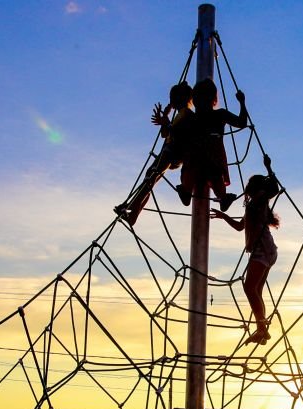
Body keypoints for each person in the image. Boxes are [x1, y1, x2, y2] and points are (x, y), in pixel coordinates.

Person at [210, 154, 280, 345]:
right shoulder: (252, 205)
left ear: (255, 189)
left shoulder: (259, 200)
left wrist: (268, 168)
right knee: (255, 290)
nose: (246, 190)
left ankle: (262, 329)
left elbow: (274, 188)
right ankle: (261, 329)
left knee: (250, 288)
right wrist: (223, 216)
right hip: (266, 250)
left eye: (249, 187)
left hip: (262, 249)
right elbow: (241, 227)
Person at [114, 81, 195, 226]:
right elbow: (166, 133)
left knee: (151, 177)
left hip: (173, 152)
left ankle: (130, 207)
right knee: (150, 177)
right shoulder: (180, 114)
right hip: (169, 151)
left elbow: (181, 134)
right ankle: (133, 214)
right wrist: (165, 118)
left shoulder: (187, 115)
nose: (171, 102)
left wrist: (167, 122)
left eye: (173, 99)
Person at [179, 78, 248, 212]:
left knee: (198, 172)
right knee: (214, 176)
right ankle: (220, 197)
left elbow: (179, 135)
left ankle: (187, 191)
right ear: (213, 99)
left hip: (201, 159)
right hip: (210, 159)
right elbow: (242, 122)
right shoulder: (218, 114)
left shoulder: (192, 117)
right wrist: (242, 102)